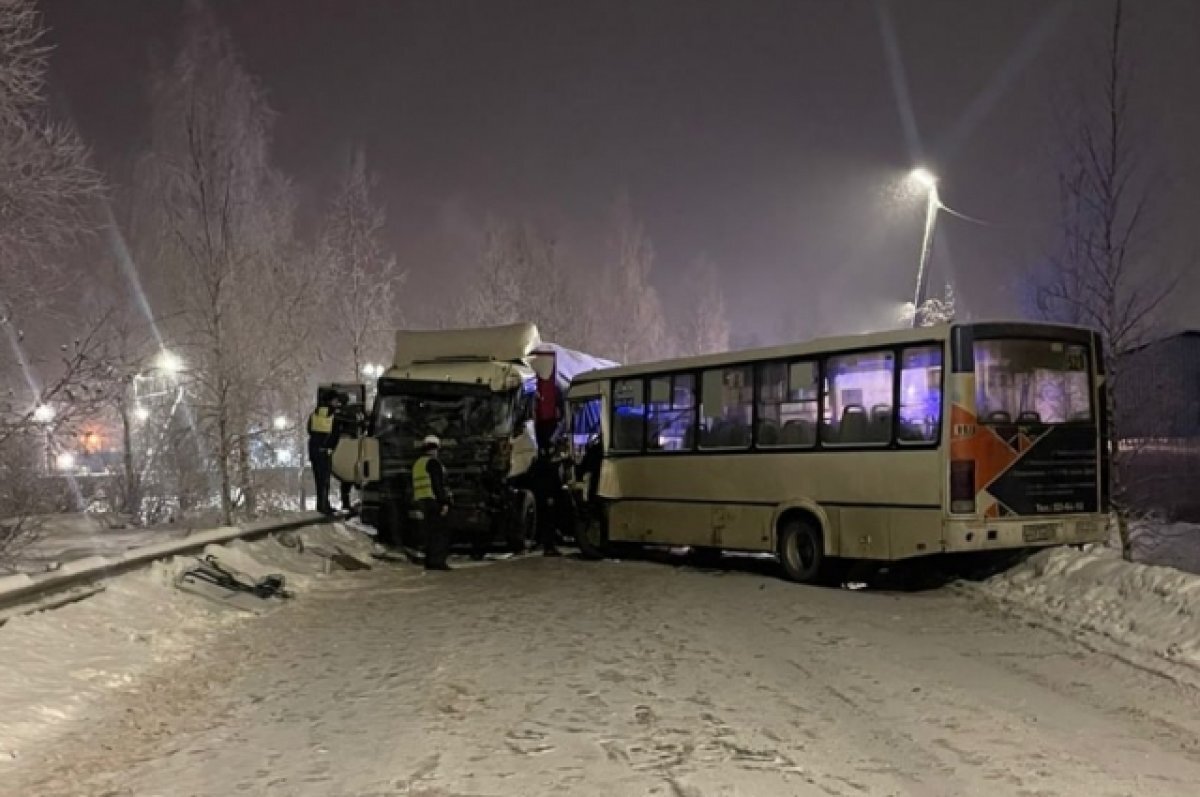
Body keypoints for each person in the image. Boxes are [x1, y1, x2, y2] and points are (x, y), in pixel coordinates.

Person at [413, 434, 452, 571]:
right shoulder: (433, 462)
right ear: (436, 448)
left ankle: (429, 561)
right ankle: (438, 561)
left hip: (422, 501)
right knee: (439, 532)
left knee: (429, 532)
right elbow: (437, 485)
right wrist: (444, 502)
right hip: (433, 501)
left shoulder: (418, 463)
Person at [307, 393, 341, 515]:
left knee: (318, 478)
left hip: (313, 449)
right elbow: (336, 434)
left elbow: (309, 430)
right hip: (325, 451)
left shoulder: (314, 414)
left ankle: (320, 505)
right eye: (336, 401)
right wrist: (330, 447)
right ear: (330, 402)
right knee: (325, 479)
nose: (337, 404)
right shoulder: (333, 415)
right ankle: (324, 506)